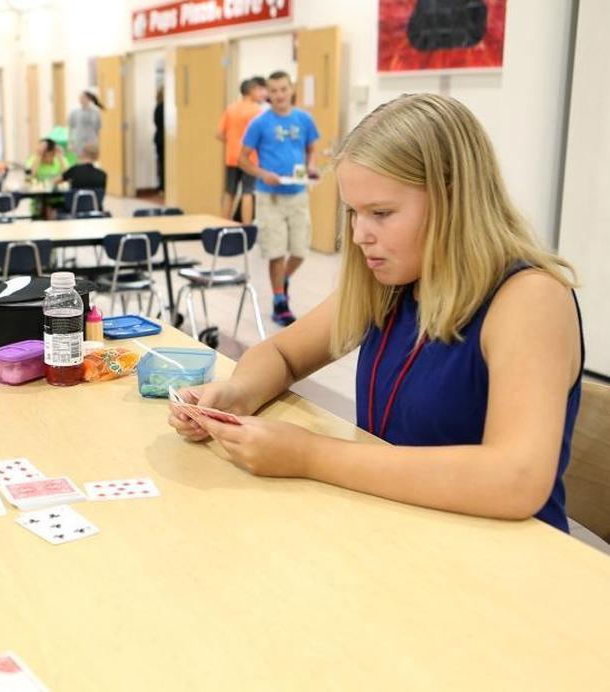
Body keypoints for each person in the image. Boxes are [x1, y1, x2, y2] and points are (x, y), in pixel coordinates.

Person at [168, 94, 583, 534]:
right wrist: (239, 393)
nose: (360, 234)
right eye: (353, 212)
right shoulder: (392, 283)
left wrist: (310, 455)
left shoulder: (529, 299)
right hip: (403, 528)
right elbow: (284, 355)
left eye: (382, 213)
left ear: (454, 198)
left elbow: (515, 480)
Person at [237, 71, 319, 326]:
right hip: (269, 196)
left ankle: (282, 280)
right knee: (275, 252)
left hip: (297, 195)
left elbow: (311, 147)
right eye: (273, 91)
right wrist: (263, 173)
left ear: (291, 89)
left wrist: (312, 166)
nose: (279, 95)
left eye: (283, 89)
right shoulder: (260, 123)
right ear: (267, 94)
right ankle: (279, 302)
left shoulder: (304, 119)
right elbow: (242, 158)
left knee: (299, 251)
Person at [217, 76, 267, 224]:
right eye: (259, 90)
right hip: (250, 158)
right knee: (247, 192)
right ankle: (246, 227)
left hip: (232, 157)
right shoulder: (257, 111)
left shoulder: (230, 109)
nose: (262, 94)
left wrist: (233, 142)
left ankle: (222, 224)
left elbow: (219, 134)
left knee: (229, 191)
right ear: (251, 91)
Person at [67, 91, 103, 159]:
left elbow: (98, 129)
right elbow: (70, 128)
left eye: (83, 97)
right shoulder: (74, 112)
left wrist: (98, 143)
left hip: (92, 140)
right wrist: (70, 143)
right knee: (81, 160)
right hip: (79, 141)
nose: (81, 99)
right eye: (80, 98)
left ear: (89, 99)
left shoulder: (96, 112)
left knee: (91, 159)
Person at [153, 87, 165, 193]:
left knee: (161, 163)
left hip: (159, 139)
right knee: (163, 163)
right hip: (163, 139)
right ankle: (163, 186)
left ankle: (162, 186)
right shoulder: (164, 107)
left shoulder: (158, 107)